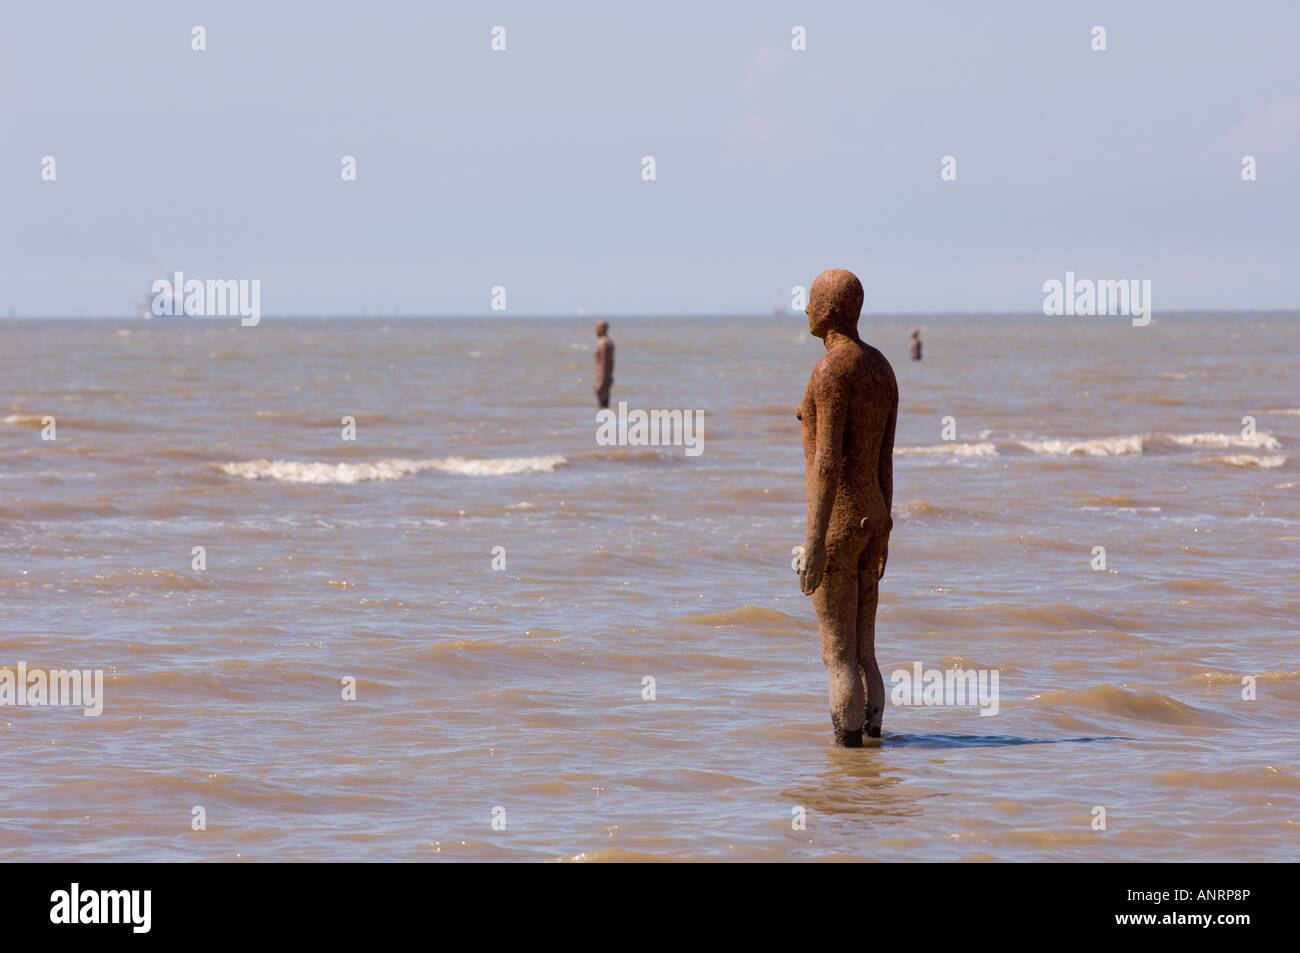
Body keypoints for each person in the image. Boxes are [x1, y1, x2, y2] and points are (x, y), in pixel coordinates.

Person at [795, 269, 898, 747]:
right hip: (873, 511)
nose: (806, 309)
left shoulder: (831, 370)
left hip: (837, 520)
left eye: (811, 300)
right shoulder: (881, 368)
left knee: (838, 655)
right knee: (866, 652)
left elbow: (826, 463)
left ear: (830, 310)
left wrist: (814, 543)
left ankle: (849, 758)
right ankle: (875, 746)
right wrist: (884, 528)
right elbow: (884, 459)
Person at [594, 320, 614, 408]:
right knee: (605, 406)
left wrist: (601, 382)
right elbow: (611, 362)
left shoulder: (603, 343)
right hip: (607, 377)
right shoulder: (609, 342)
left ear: (602, 329)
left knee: (602, 407)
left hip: (603, 378)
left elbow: (604, 362)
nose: (596, 331)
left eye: (597, 328)